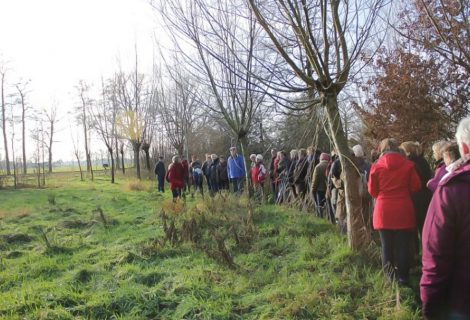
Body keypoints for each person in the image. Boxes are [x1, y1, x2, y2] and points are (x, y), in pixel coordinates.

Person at [421, 117, 470, 319]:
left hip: (463, 300)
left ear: (464, 149)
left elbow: (436, 254)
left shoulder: (453, 188)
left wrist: (429, 306)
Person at [368, 138, 421, 285]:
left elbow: (372, 191)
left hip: (384, 209)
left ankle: (390, 278)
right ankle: (404, 277)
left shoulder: (376, 166)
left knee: (386, 246)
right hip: (403, 208)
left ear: (382, 149)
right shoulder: (409, 165)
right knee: (403, 246)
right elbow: (416, 186)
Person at [311, 152, 330, 218]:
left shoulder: (318, 167)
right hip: (328, 189)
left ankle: (320, 218)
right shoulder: (330, 165)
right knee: (328, 205)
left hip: (320, 189)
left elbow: (315, 180)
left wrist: (313, 189)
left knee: (320, 206)